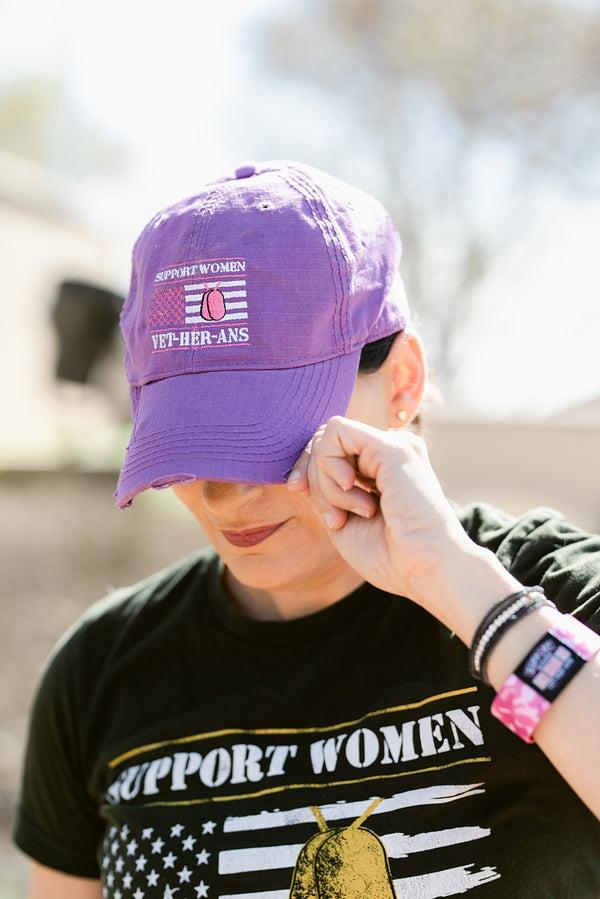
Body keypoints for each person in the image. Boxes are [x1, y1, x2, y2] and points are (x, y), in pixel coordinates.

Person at [14, 160, 600, 899]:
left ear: (402, 384)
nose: (223, 490)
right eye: (191, 437)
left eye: (265, 429)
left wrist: (456, 585)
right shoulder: (102, 669)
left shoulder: (550, 594)